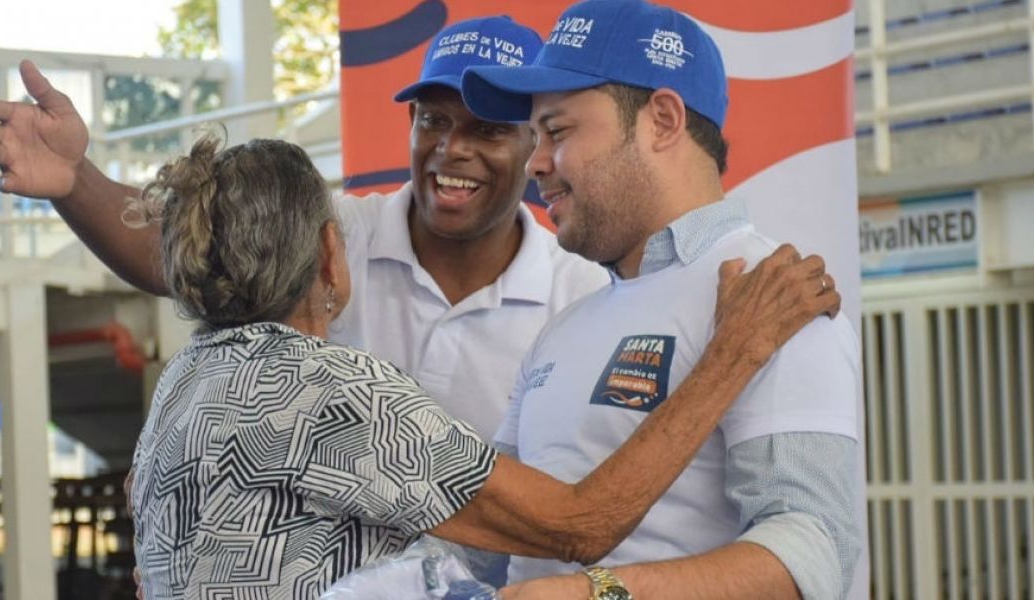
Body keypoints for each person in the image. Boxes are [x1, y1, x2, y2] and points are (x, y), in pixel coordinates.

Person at [0, 20, 592, 585]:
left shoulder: (583, 291)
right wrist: (75, 179)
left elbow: (577, 515)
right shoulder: (335, 232)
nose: (453, 148)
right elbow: (175, 251)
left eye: (487, 128)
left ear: (535, 142)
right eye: (435, 121)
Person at [123, 132, 836, 598]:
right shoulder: (333, 390)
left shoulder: (183, 385)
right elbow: (582, 526)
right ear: (330, 252)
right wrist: (734, 351)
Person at [460, 1, 863, 598]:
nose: (535, 162)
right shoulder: (566, 326)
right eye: (533, 137)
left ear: (664, 120)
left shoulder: (774, 294)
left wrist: (596, 593)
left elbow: (814, 549)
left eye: (558, 131)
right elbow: (486, 544)